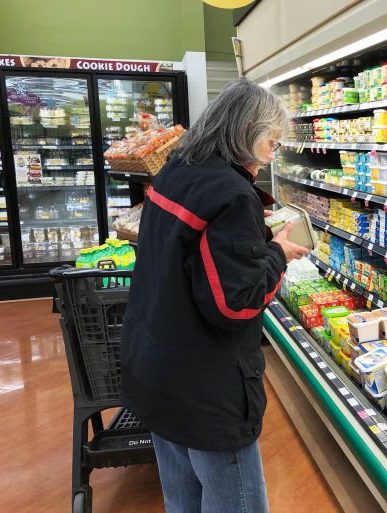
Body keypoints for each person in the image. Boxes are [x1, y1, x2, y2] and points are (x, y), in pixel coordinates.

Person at [120, 78, 309, 513]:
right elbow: (234, 304)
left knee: (182, 500)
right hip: (206, 390)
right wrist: (278, 253)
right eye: (271, 142)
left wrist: (253, 242)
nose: (271, 154)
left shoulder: (177, 168)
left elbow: (192, 255)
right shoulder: (233, 195)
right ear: (246, 132)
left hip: (157, 368)